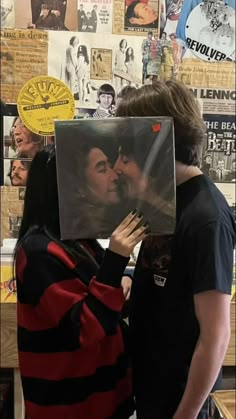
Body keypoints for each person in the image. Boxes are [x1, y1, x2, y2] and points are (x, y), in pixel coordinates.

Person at [116, 80, 236, 419]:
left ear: (155, 141)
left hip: (179, 400)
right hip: (153, 387)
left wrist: (184, 415)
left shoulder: (205, 217)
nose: (121, 156)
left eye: (130, 141)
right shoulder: (168, 197)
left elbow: (216, 337)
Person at [14, 144, 149, 419]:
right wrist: (116, 259)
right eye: (101, 168)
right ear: (64, 188)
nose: (114, 175)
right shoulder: (38, 252)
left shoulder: (76, 240)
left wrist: (119, 281)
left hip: (101, 399)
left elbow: (103, 299)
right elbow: (86, 328)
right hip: (71, 406)